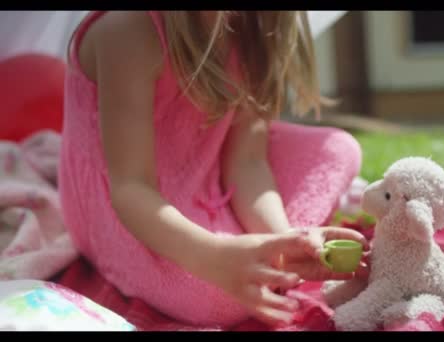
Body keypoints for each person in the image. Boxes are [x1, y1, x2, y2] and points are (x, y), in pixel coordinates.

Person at [59, 11, 368, 328]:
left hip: (203, 172)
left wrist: (285, 241)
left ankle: (252, 255)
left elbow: (247, 163)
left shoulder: (253, 31)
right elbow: (130, 187)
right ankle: (233, 258)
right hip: (125, 207)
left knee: (337, 150)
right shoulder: (129, 30)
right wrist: (214, 257)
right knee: (223, 297)